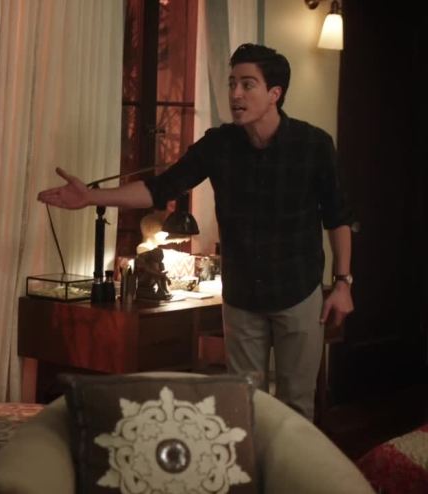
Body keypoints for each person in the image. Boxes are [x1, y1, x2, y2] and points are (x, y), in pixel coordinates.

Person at [38, 43, 353, 420]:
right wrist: (91, 196)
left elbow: (337, 217)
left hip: (298, 292)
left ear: (275, 93)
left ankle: (291, 462)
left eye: (247, 84)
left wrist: (343, 284)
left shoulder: (313, 144)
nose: (236, 94)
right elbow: (160, 189)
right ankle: (246, 462)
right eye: (232, 83)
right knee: (242, 406)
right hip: (242, 297)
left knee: (296, 408)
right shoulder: (219, 144)